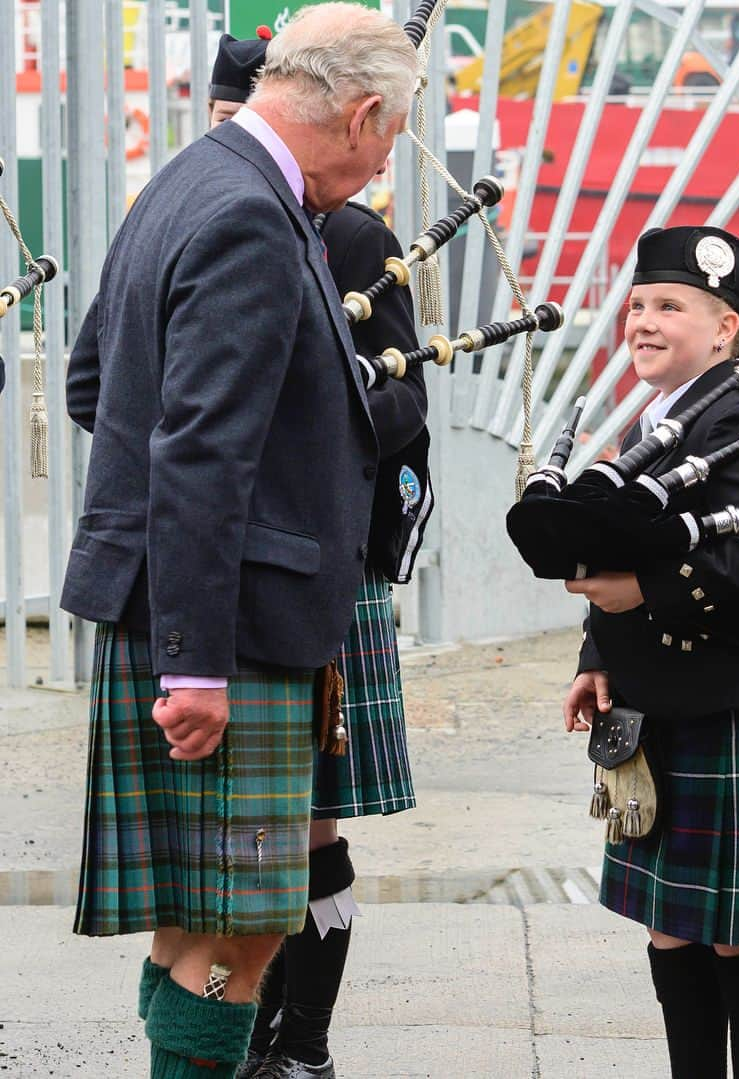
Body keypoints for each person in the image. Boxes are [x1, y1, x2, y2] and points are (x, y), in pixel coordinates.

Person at [61, 6, 420, 1078]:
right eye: (391, 138)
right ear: (360, 114)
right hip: (233, 631)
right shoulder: (254, 219)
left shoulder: (189, 179)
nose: (384, 161)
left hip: (195, 605)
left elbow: (94, 386)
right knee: (242, 932)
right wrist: (194, 661)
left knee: (199, 923)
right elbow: (204, 452)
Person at [562, 226, 739, 1079]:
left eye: (669, 307)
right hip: (653, 700)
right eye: (639, 303)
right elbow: (612, 549)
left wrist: (647, 592)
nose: (642, 321)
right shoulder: (655, 421)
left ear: (725, 329)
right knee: (672, 924)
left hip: (730, 704)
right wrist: (595, 652)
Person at [203, 27, 430, 1079]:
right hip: (224, 565)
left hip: (321, 559)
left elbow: (405, 405)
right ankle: (243, 1031)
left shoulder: (352, 235)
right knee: (236, 834)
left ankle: (304, 1046)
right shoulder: (213, 206)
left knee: (304, 827)